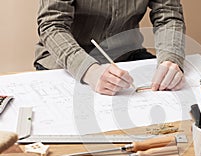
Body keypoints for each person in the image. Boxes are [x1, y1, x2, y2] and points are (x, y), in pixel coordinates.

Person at [34, 0, 186, 96]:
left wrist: (170, 58)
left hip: (127, 55)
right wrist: (89, 70)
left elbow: (168, 16)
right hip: (67, 59)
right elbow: (52, 25)